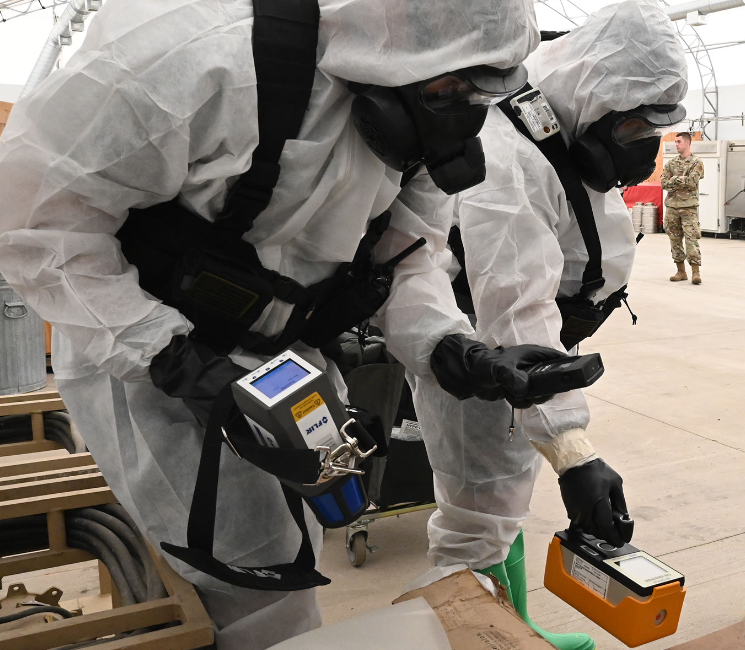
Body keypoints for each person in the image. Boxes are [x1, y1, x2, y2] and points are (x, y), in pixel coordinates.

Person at [0, 1, 555, 648]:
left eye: (484, 89)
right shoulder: (197, 63)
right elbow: (37, 221)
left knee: (297, 545)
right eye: (450, 89)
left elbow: (405, 256)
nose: (465, 110)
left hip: (280, 357)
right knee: (254, 591)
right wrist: (178, 361)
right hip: (141, 349)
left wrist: (449, 345)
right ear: (388, 43)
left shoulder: (431, 120)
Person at [417, 5, 688, 649]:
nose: (638, 143)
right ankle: (475, 637)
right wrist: (575, 453)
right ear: (597, 91)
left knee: (503, 500)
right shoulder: (505, 156)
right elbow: (516, 308)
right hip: (485, 350)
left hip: (530, 352)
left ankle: (513, 629)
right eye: (630, 124)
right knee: (474, 521)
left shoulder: (556, 123)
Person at [662, 132, 704, 284]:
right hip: (672, 207)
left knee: (691, 239)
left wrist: (674, 179)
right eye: (675, 141)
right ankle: (681, 271)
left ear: (687, 143)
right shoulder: (671, 163)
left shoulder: (696, 162)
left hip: (689, 207)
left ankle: (696, 272)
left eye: (679, 141)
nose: (676, 144)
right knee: (674, 239)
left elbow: (692, 181)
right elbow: (664, 183)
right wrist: (680, 181)